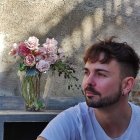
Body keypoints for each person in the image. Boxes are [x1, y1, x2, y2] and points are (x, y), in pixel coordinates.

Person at [36, 36, 140, 140]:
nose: (88, 82)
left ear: (127, 85)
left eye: (101, 74)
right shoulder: (73, 120)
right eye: (86, 72)